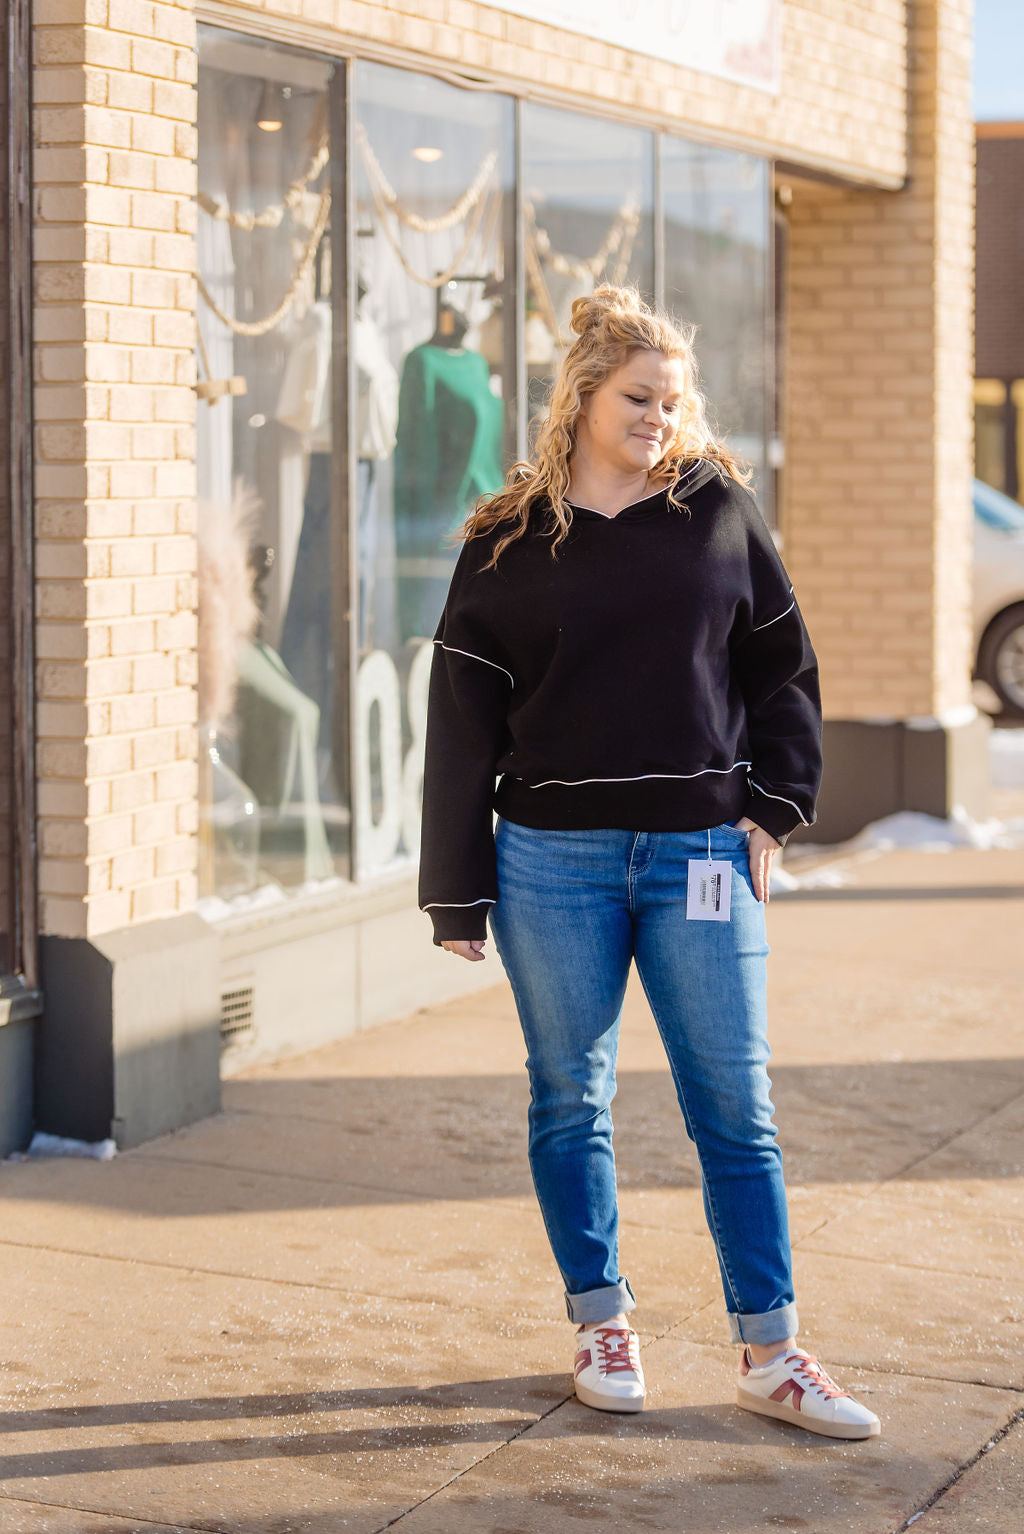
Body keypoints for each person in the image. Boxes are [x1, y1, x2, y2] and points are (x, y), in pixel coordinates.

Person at [417, 284, 880, 1441]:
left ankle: (771, 1350)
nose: (659, 419)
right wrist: (454, 881)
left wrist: (773, 807)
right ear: (580, 396)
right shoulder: (506, 538)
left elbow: (783, 664)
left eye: (673, 401)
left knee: (735, 1103)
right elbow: (463, 721)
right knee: (568, 1096)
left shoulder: (714, 505)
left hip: (699, 856)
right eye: (638, 398)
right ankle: (599, 1322)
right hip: (548, 865)